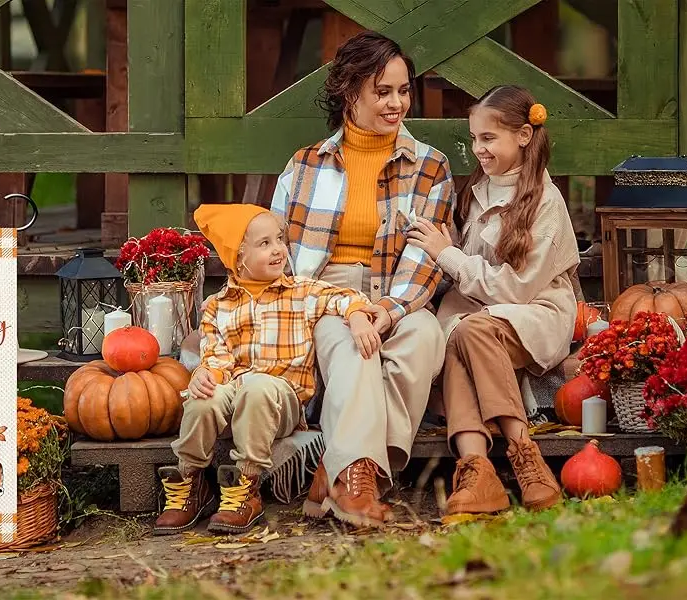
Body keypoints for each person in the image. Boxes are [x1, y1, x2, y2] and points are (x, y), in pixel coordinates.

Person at [270, 32, 454, 528]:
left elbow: (425, 253)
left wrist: (389, 309)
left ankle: (339, 465)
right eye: (383, 91)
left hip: (397, 291)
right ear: (350, 93)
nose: (397, 103)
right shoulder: (304, 166)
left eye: (403, 90)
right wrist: (343, 307)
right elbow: (280, 258)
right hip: (323, 293)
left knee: (424, 337)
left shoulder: (430, 166)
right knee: (355, 350)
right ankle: (355, 482)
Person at [153, 204, 385, 535]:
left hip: (283, 399)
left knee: (258, 386)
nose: (278, 249)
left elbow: (346, 297)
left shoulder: (301, 291)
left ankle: (247, 486)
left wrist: (359, 317)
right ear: (239, 256)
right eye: (264, 244)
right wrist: (206, 375)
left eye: (279, 239)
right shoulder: (218, 307)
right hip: (239, 392)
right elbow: (217, 357)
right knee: (202, 397)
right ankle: (191, 482)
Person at [406, 85, 577, 515]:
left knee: (470, 330)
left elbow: (516, 288)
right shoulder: (478, 188)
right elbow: (471, 271)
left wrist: (447, 255)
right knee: (461, 335)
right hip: (479, 314)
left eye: (488, 139)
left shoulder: (545, 201)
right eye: (474, 139)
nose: (478, 149)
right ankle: (480, 469)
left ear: (523, 135)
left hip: (535, 312)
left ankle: (522, 455)